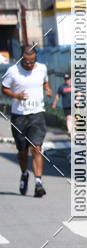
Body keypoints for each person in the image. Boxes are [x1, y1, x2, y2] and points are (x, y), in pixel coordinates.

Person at [1, 44, 52, 197]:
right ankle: (24, 174)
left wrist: (48, 89)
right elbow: (4, 87)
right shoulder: (13, 71)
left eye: (32, 61)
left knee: (36, 148)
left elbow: (45, 81)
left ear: (36, 57)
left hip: (37, 113)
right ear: (21, 59)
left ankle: (38, 183)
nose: (29, 65)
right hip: (19, 116)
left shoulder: (42, 68)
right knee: (22, 151)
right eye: (26, 62)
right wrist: (16, 96)